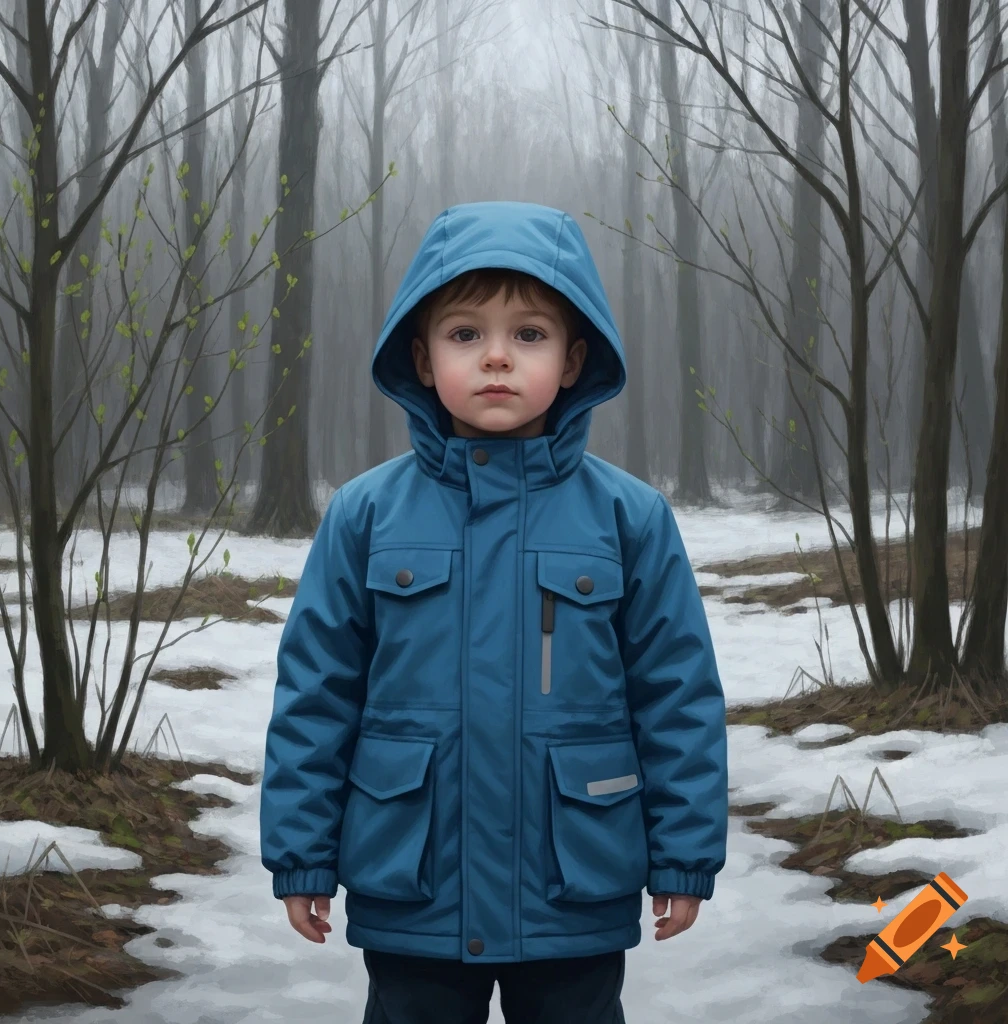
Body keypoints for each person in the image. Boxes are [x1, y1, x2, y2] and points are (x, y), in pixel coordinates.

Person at [260, 201, 728, 1024]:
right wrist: (302, 853)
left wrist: (684, 854)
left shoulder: (629, 517)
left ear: (576, 359)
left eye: (530, 334)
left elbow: (676, 696)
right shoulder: (366, 515)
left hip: (572, 884)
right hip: (415, 885)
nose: (498, 357)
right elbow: (316, 694)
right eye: (466, 333)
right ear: (421, 355)